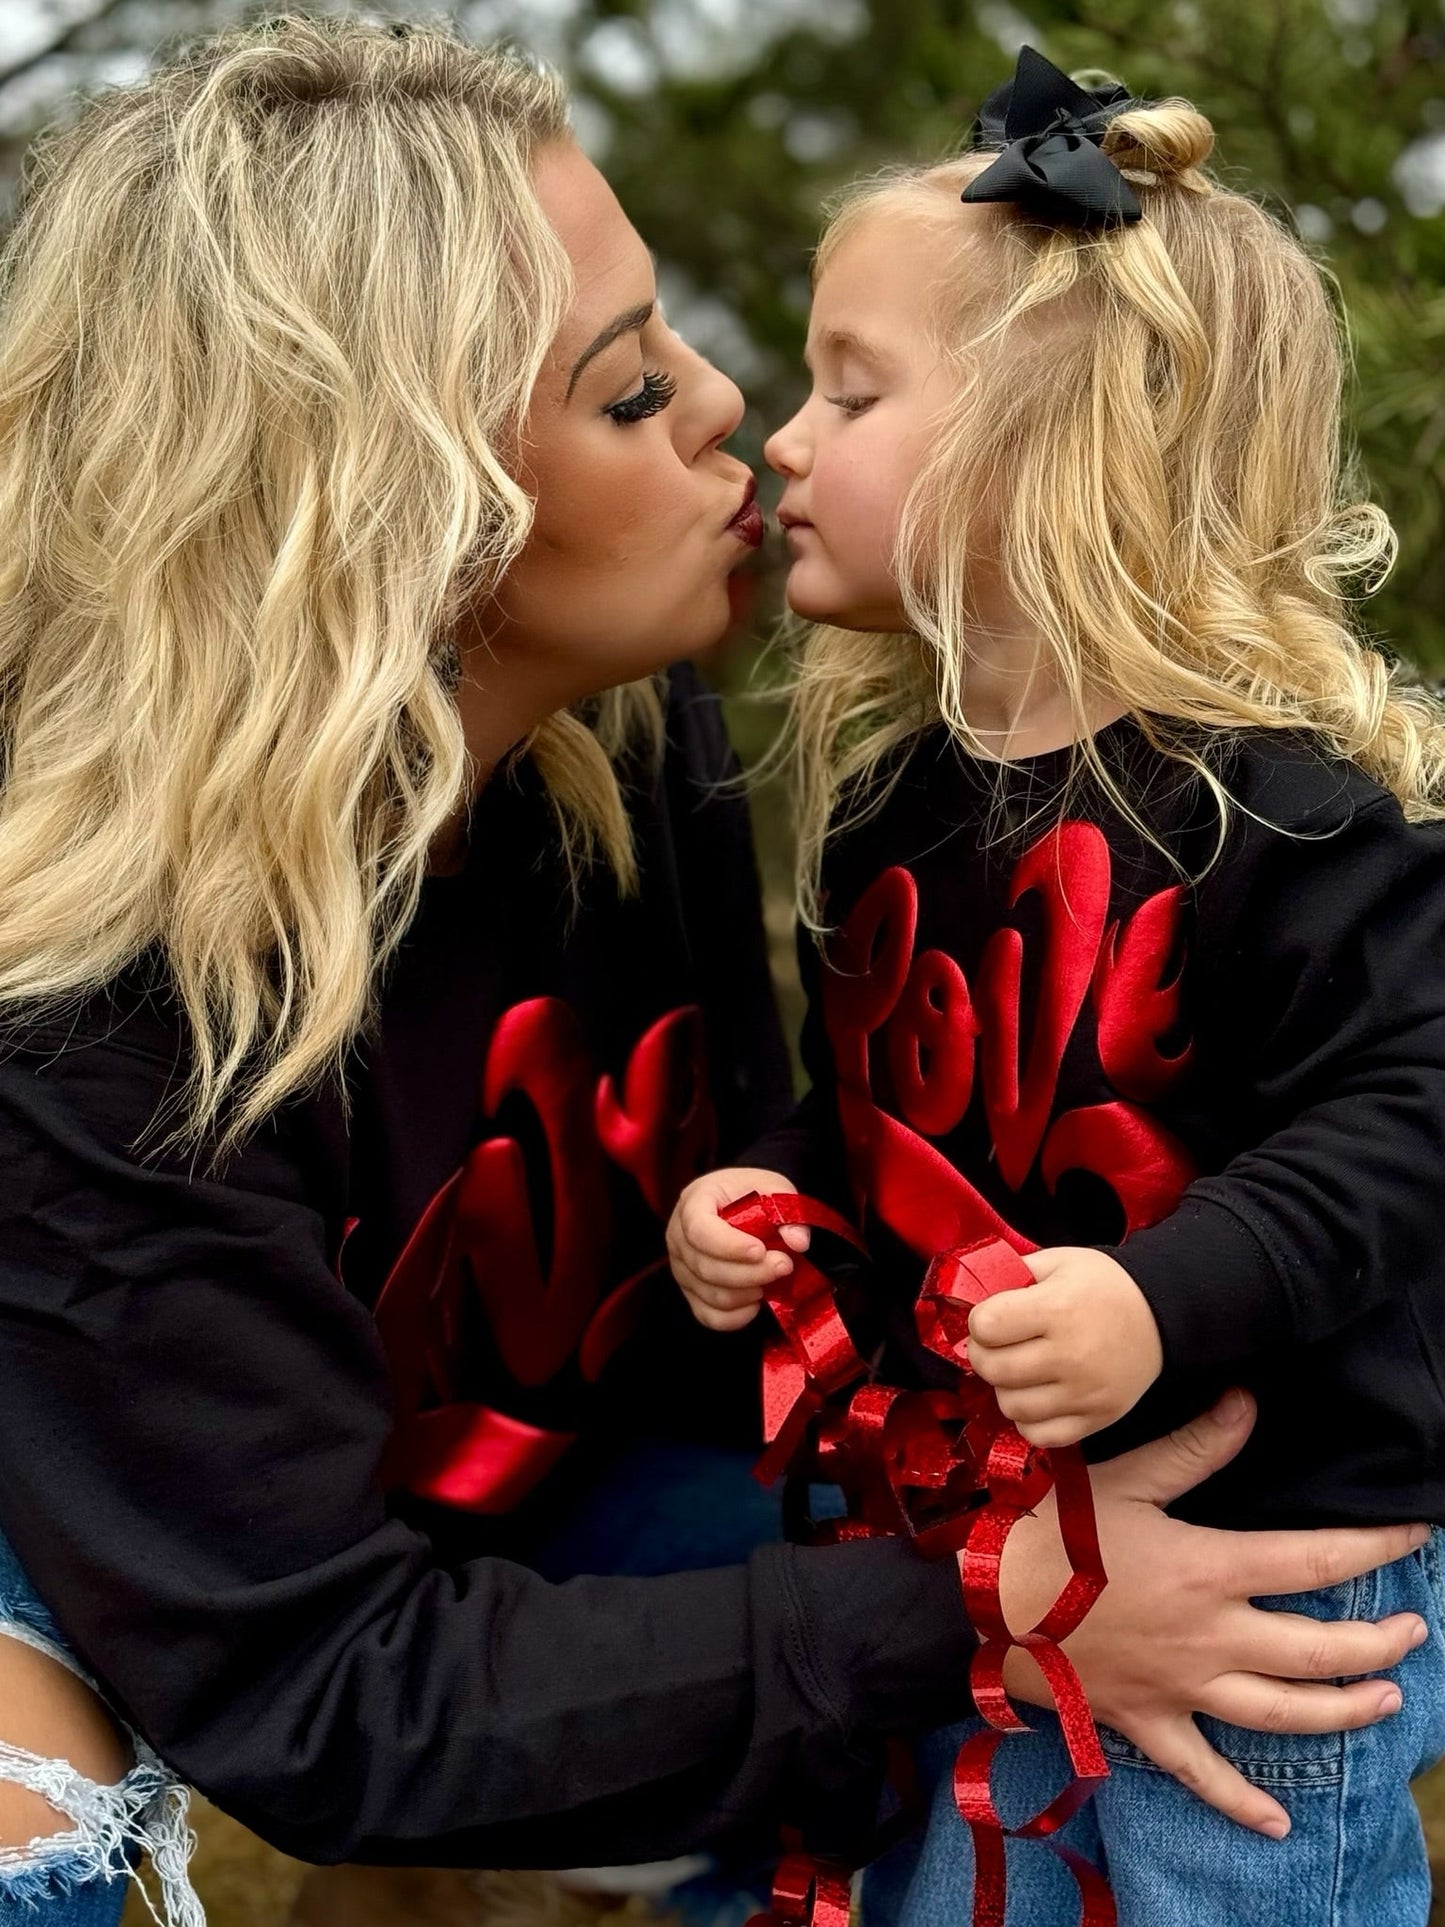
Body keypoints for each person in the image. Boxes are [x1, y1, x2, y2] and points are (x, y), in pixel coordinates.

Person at [0, 21, 1429, 1927]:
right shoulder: (92, 1007)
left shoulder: (621, 741)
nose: (726, 407)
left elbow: (762, 1244)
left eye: (669, 332)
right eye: (622, 392)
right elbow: (313, 1693)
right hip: (156, 1555)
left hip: (525, 1504)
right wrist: (995, 1607)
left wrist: (789, 1267)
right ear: (400, 513)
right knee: (26, 1830)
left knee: (1056, 1669)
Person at [667, 43, 1445, 1927]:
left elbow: (1408, 1118)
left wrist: (1161, 1295)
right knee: (959, 1886)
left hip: (1272, 1548)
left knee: (1220, 1891)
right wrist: (765, 1199)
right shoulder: (886, 807)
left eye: (850, 390)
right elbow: (871, 1109)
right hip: (986, 1517)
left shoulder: (1278, 803)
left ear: (1050, 440)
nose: (781, 433)